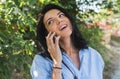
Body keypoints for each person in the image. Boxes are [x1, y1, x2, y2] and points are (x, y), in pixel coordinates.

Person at [30, 3, 104, 79]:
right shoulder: (41, 61)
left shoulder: (93, 55)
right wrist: (56, 63)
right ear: (47, 33)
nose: (59, 20)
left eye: (61, 15)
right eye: (50, 22)